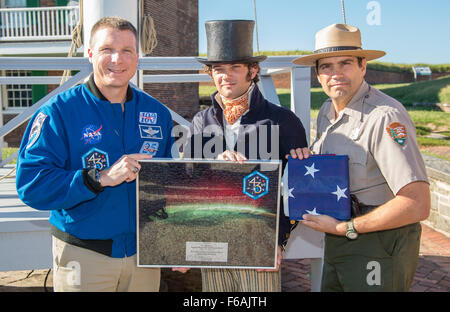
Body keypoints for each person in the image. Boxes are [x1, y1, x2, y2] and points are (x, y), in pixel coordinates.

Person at [16, 17, 175, 292]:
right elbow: (31, 185)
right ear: (89, 54)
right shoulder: (59, 112)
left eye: (127, 50)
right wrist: (98, 178)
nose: (118, 59)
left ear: (137, 57)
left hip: (143, 257)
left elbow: (170, 183)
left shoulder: (158, 113)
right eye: (106, 50)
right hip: (84, 256)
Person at [293, 23, 430, 291]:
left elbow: (416, 203)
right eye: (326, 67)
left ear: (363, 66)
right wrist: (307, 160)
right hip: (339, 236)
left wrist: (347, 229)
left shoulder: (384, 117)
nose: (336, 74)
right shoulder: (326, 111)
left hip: (378, 243)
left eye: (345, 63)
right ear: (318, 75)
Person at [178, 20, 310, 292]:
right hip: (212, 239)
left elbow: (296, 190)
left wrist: (277, 239)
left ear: (253, 70)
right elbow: (188, 182)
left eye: (234, 67)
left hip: (257, 242)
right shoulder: (201, 121)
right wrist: (211, 164)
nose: (225, 76)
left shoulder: (283, 120)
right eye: (218, 69)